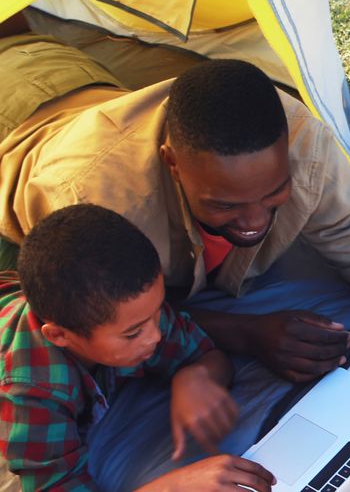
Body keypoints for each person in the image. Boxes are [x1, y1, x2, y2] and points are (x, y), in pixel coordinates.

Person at [0, 25, 350, 488]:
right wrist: (251, 333)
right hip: (15, 108)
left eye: (275, 193)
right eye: (225, 204)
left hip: (84, 82)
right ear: (173, 163)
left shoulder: (297, 137)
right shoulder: (91, 199)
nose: (254, 222)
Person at [0, 204, 276, 491]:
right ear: (59, 336)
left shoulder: (131, 310)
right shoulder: (30, 390)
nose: (155, 336)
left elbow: (205, 353)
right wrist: (171, 487)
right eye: (133, 334)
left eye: (158, 311)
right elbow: (55, 485)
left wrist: (196, 377)